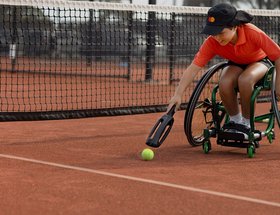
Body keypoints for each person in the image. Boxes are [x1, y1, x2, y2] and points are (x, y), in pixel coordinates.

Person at [168, 3, 280, 133]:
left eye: (221, 33)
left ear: (235, 27)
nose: (217, 38)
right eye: (213, 33)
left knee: (245, 79)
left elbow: (278, 55)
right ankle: (235, 121)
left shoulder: (252, 32)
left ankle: (247, 123)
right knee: (224, 82)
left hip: (260, 62)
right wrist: (178, 94)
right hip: (236, 63)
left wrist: (278, 84)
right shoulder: (212, 42)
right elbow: (194, 67)